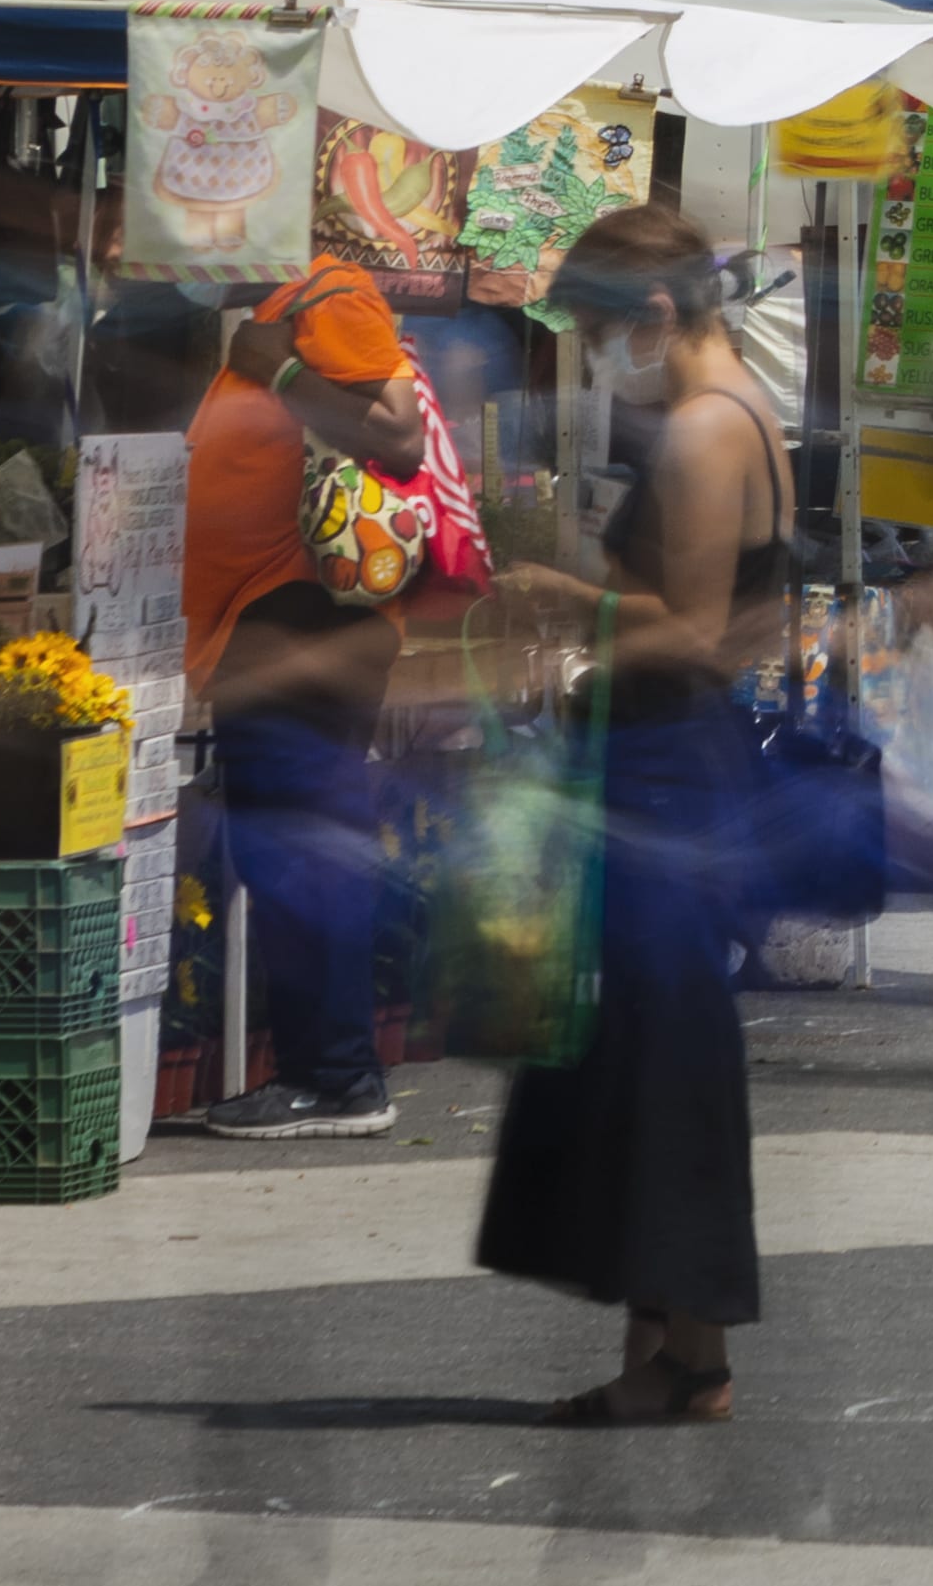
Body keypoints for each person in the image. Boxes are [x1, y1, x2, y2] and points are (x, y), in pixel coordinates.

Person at [478, 202, 786, 1428]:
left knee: (665, 1064)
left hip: (668, 768)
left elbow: (692, 628)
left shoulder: (708, 431)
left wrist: (561, 596)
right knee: (644, 1061)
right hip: (670, 759)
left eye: (603, 331)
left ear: (657, 314)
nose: (600, 355)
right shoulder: (741, 408)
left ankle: (692, 1354)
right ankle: (665, 1343)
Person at [184, 264, 455, 1138]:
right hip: (273, 625)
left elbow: (398, 435)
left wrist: (279, 369)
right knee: (287, 850)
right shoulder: (283, 306)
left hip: (301, 624)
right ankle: (322, 1069)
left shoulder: (329, 296)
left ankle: (334, 1077)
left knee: (304, 851)